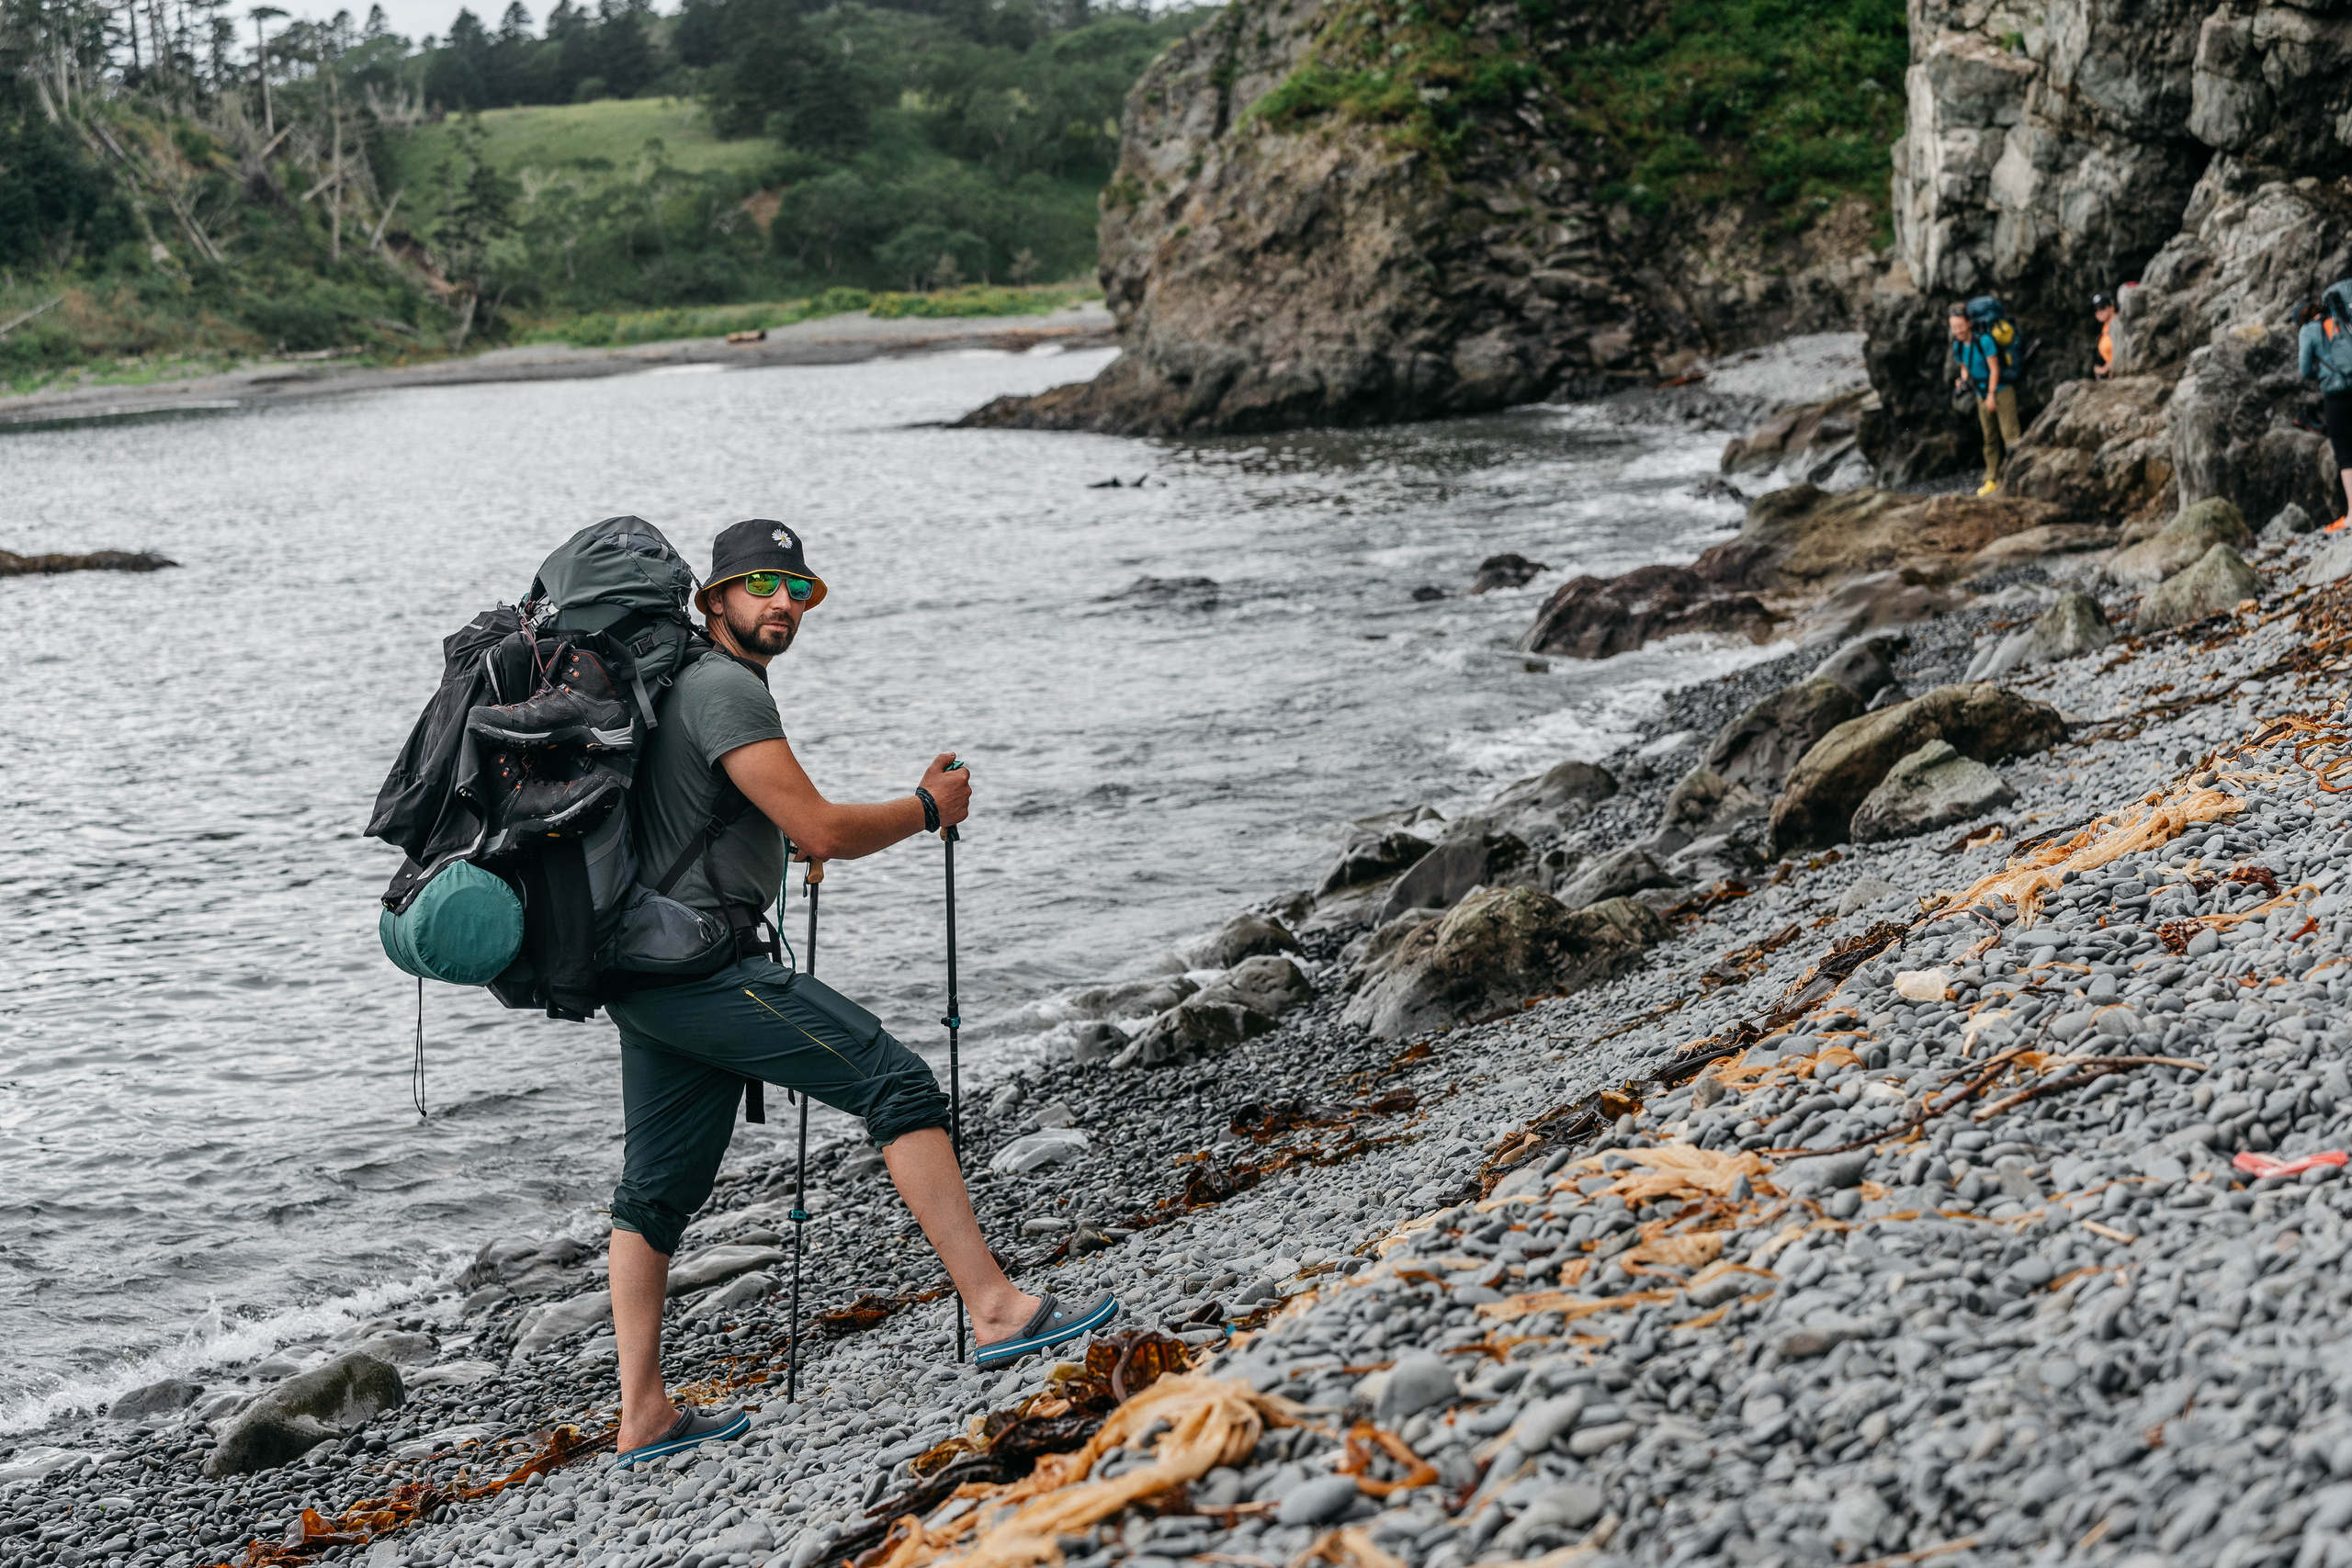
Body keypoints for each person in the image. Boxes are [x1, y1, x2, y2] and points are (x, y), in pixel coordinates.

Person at [601, 519, 1118, 1469]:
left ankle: (645, 1416)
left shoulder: (683, 685)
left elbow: (746, 819)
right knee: (895, 1085)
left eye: (796, 589)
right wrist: (927, 812)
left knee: (656, 1192)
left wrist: (776, 845)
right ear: (712, 598)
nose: (782, 603)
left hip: (645, 971)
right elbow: (825, 829)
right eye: (759, 585)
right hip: (698, 971)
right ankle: (998, 1308)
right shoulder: (721, 688)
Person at [2299, 281, 2352, 530]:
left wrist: (2322, 373)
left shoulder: (2308, 330)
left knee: (2345, 453)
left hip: (2336, 395)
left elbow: (2305, 368)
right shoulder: (2342, 317)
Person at [1951, 302, 2019, 496]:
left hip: (2001, 390)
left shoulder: (1985, 341)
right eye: (1954, 327)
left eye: (1960, 326)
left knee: (2010, 435)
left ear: (1969, 323)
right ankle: (1991, 478)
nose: (1958, 331)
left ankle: (2017, 476)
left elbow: (1995, 369)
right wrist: (1962, 381)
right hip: (1981, 393)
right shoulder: (1958, 345)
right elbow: (1965, 366)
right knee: (1989, 438)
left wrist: (1991, 396)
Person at [2091, 291, 2118, 378]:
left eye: (2102, 307)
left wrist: (2105, 369)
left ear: (2112, 307)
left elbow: (2120, 351)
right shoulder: (2106, 326)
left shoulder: (2118, 323)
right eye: (2096, 309)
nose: (2099, 311)